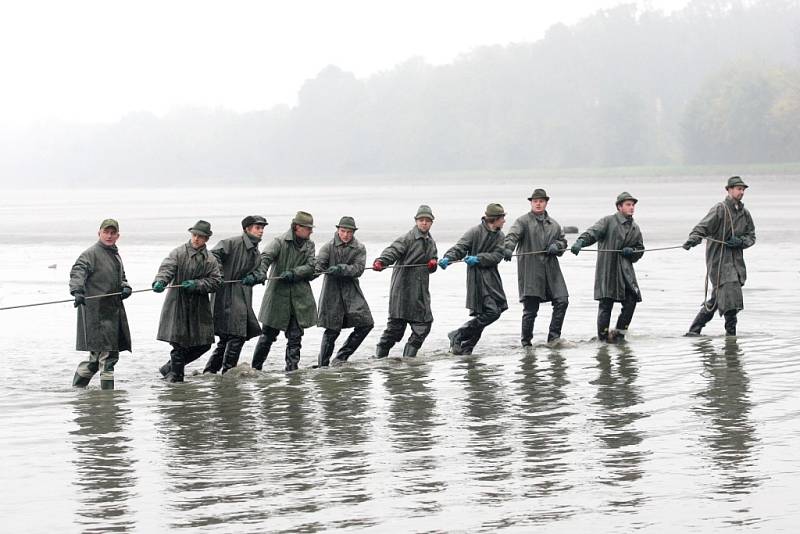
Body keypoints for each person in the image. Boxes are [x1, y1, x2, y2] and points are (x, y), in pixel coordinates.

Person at [683, 176, 756, 336]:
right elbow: (702, 227)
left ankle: (694, 332)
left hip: (736, 265)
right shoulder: (720, 209)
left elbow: (752, 237)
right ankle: (731, 340)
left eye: (743, 189)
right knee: (730, 303)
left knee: (716, 301)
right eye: (738, 188)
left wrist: (740, 241)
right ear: (729, 190)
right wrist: (693, 239)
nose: (741, 192)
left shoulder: (745, 214)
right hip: (720, 263)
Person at [152, 220, 222, 382]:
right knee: (179, 343)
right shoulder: (178, 253)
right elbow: (167, 268)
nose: (196, 239)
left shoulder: (210, 259)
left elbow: (216, 281)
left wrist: (197, 284)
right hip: (177, 304)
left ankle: (170, 368)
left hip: (199, 307)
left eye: (200, 236)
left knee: (203, 344)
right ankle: (176, 379)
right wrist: (160, 281)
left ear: (206, 239)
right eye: (194, 235)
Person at [571, 192, 644, 343]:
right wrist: (581, 242)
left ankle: (619, 334)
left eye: (633, 205)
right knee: (606, 304)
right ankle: (603, 339)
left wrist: (632, 252)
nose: (631, 208)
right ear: (619, 207)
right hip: (608, 270)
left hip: (626, 273)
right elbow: (592, 233)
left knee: (632, 301)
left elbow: (640, 250)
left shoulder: (635, 228)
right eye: (628, 205)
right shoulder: (608, 221)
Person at [69, 218, 132, 389]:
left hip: (112, 312)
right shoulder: (90, 253)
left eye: (113, 233)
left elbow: (122, 277)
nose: (109, 236)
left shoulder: (115, 254)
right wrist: (77, 291)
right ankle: (108, 403)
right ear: (99, 233)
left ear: (118, 235)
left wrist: (125, 287)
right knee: (108, 358)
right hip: (96, 313)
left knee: (97, 359)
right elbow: (78, 272)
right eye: (106, 232)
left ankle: (77, 389)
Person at [250, 211, 317, 372]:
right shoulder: (279, 242)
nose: (311, 231)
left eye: (311, 228)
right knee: (267, 336)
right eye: (308, 228)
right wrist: (261, 273)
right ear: (297, 227)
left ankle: (292, 371)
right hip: (277, 298)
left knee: (295, 337)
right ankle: (255, 369)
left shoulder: (310, 245)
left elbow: (311, 266)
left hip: (299, 299)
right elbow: (265, 257)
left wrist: (295, 273)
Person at [201, 215, 268, 374]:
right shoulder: (232, 243)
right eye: (257, 228)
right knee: (236, 335)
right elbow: (213, 255)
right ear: (247, 229)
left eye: (262, 228)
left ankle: (210, 372)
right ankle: (228, 372)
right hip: (225, 295)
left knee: (227, 338)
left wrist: (256, 277)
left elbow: (260, 269)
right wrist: (220, 274)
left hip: (242, 295)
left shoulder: (255, 250)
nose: (261, 231)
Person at [439, 203, 508, 355]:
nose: (504, 221)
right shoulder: (474, 232)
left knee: (492, 313)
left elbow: (498, 256)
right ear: (495, 219)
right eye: (502, 218)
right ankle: (458, 334)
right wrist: (447, 258)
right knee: (491, 312)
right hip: (477, 280)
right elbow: (460, 248)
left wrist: (479, 258)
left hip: (492, 279)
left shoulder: (500, 236)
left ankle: (465, 350)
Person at [503, 188, 569, 346]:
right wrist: (507, 248)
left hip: (552, 271)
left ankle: (553, 338)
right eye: (535, 201)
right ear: (531, 203)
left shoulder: (554, 224)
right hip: (531, 271)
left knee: (562, 300)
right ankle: (526, 343)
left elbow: (563, 242)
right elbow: (512, 236)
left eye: (541, 201)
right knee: (530, 309)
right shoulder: (522, 221)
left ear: (546, 203)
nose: (538, 204)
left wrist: (557, 246)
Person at [373, 204, 439, 358]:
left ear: (431, 223)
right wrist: (381, 262)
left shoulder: (431, 241)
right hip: (402, 290)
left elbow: (433, 260)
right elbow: (392, 251)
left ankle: (409, 362)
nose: (424, 223)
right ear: (416, 221)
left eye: (427, 220)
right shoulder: (407, 238)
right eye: (421, 220)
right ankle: (379, 359)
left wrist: (433, 263)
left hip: (420, 292)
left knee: (423, 326)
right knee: (395, 329)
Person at [315, 216, 374, 367]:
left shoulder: (359, 248)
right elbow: (318, 264)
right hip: (331, 292)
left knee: (366, 324)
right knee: (332, 330)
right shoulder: (328, 247)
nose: (346, 235)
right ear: (338, 230)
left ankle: (341, 357)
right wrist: (313, 271)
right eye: (343, 231)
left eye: (349, 232)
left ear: (353, 232)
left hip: (352, 292)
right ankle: (323, 365)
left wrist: (341, 268)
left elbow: (358, 269)